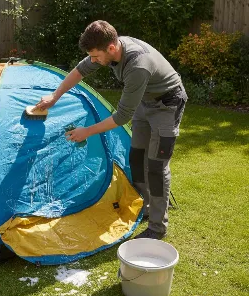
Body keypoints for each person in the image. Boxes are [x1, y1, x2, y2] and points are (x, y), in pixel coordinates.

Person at [33, 20, 187, 240]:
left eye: (95, 57)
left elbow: (123, 116)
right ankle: (145, 208)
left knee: (156, 167)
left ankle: (157, 227)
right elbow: (79, 71)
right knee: (136, 157)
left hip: (167, 105)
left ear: (112, 48)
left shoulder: (138, 65)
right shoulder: (108, 48)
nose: (93, 61)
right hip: (145, 102)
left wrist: (87, 131)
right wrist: (54, 96)